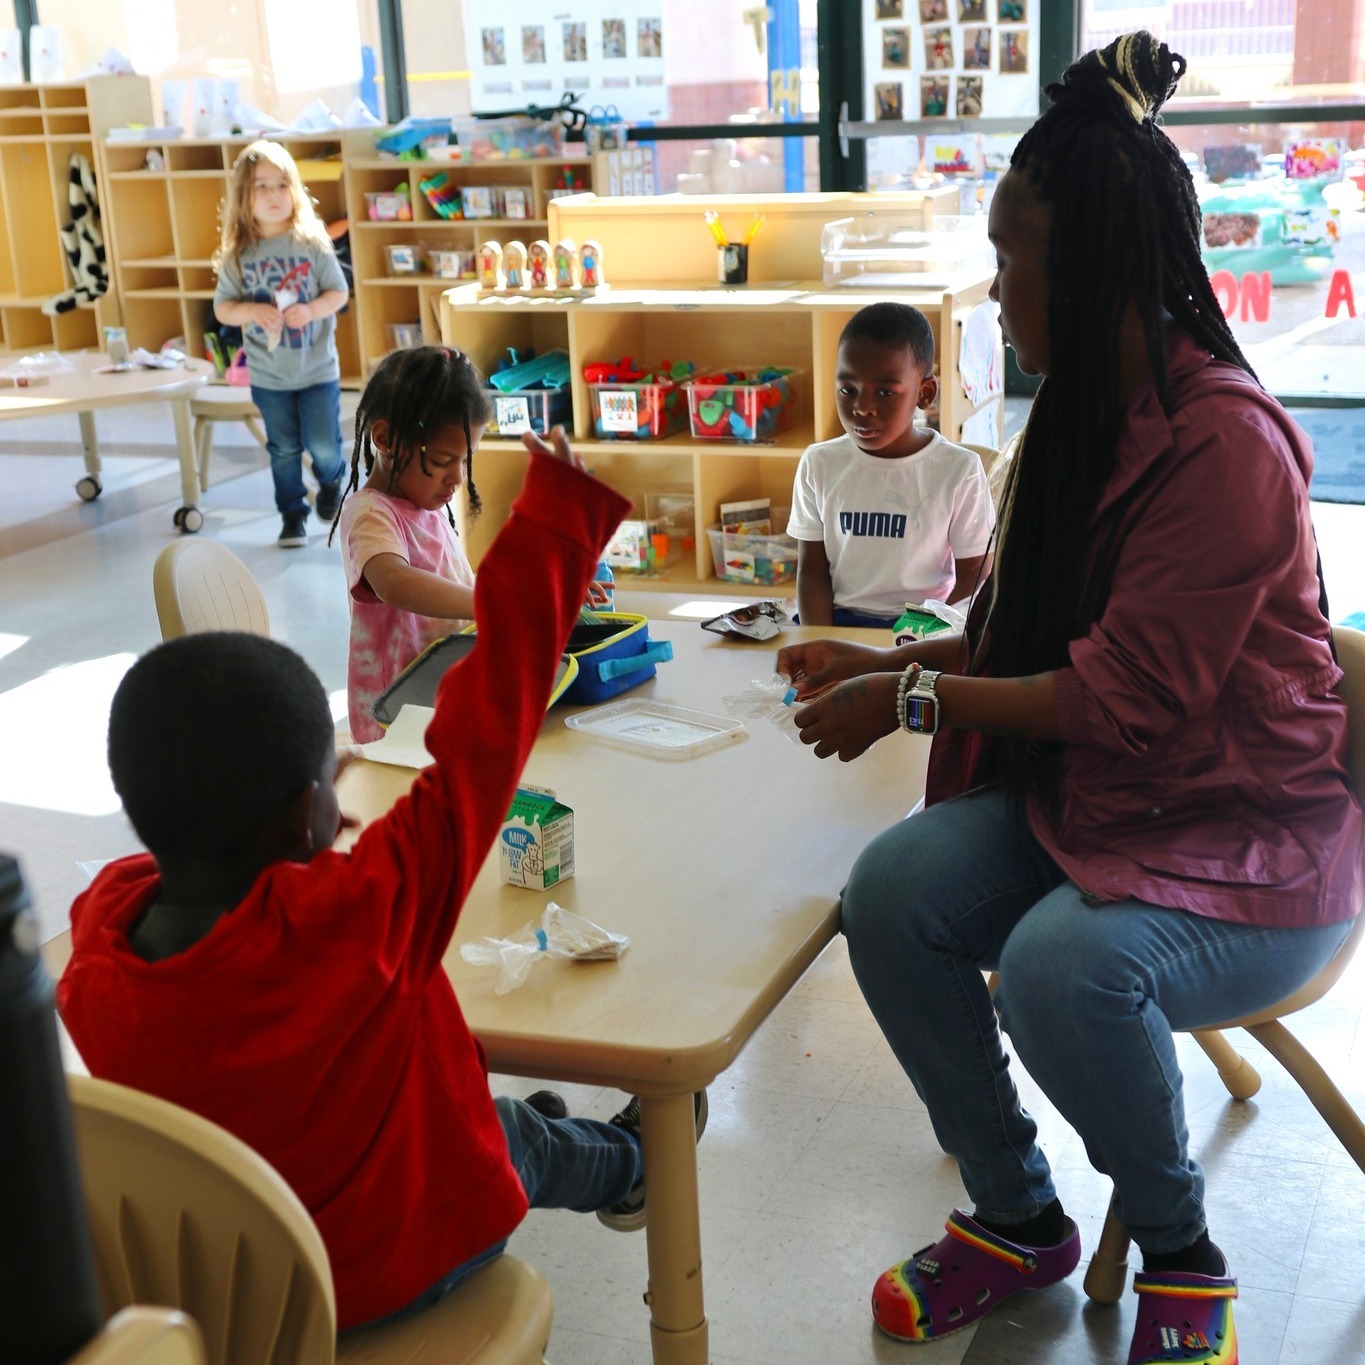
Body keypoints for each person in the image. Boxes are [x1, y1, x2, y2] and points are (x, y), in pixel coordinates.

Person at [775, 32, 1361, 1363]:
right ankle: (1019, 1211)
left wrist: (913, 709)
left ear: (1086, 259)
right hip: (1104, 803)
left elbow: (1129, 696)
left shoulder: (1223, 445)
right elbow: (1013, 634)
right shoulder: (1084, 416)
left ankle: (1181, 1247)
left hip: (1245, 836)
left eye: (1010, 255)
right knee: (892, 893)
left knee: (1059, 966)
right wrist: (883, 664)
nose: (997, 286)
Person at [57, 428, 705, 1332]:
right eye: (331, 780)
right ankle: (636, 1169)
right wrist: (556, 519)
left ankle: (514, 1122)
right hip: (391, 1263)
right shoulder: (357, 913)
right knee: (493, 1135)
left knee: (461, 1101)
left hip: (248, 1292)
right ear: (302, 817)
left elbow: (149, 882)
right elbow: (493, 718)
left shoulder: (96, 947)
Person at [787, 302, 993, 629]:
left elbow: (975, 573)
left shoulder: (959, 469)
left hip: (923, 627)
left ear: (925, 393)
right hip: (839, 625)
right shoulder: (820, 463)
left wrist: (922, 635)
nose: (862, 407)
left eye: (885, 391)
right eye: (847, 389)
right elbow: (811, 571)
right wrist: (818, 641)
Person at [213, 140, 349, 548]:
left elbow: (338, 294)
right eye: (261, 187)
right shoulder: (240, 254)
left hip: (317, 368)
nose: (273, 195)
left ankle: (331, 481)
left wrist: (310, 310)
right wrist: (252, 312)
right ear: (243, 197)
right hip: (269, 375)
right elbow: (223, 309)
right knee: (283, 448)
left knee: (324, 444)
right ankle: (292, 514)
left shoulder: (312, 244)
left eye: (281, 184)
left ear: (295, 191)